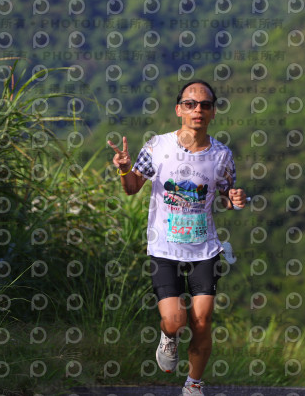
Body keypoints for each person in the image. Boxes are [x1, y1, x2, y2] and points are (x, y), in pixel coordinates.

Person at [107, 80, 246, 396]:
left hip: (204, 250)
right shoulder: (157, 146)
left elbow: (226, 196)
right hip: (164, 248)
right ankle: (168, 336)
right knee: (175, 320)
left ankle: (194, 384)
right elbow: (132, 188)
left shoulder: (222, 155)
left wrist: (235, 199)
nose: (198, 110)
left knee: (202, 320)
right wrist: (124, 169)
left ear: (213, 112)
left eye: (205, 105)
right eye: (190, 104)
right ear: (178, 109)